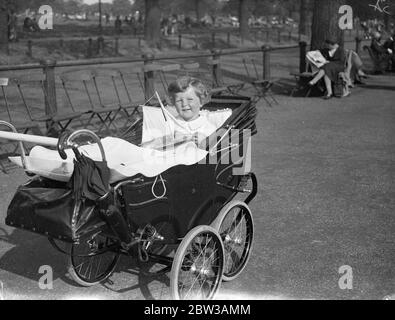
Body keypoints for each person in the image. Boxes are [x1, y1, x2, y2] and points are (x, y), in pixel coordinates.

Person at [142, 77, 216, 149]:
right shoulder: (171, 123)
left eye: (190, 99)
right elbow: (154, 144)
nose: (184, 104)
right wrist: (170, 140)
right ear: (173, 103)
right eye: (179, 101)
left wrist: (205, 142)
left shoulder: (208, 127)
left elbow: (215, 152)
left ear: (201, 101)